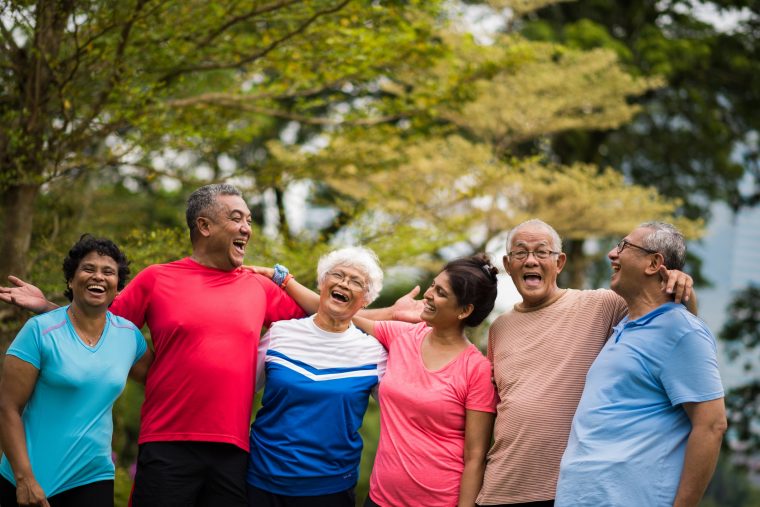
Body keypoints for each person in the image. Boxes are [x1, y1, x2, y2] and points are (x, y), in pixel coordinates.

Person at [0, 184, 413, 507]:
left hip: (234, 452)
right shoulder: (156, 279)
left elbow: (327, 319)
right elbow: (97, 330)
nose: (247, 228)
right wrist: (50, 309)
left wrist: (390, 314)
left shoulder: (257, 286)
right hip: (166, 442)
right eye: (237, 218)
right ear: (204, 226)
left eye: (249, 219)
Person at [476, 218, 696, 507]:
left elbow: (671, 319)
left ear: (560, 262)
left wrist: (684, 288)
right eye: (520, 253)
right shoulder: (499, 328)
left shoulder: (602, 305)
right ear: (508, 264)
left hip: (566, 492)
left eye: (542, 252)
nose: (531, 260)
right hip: (499, 488)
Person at [555, 222, 726, 506]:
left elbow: (712, 425)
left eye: (623, 246)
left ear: (654, 262)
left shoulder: (681, 330)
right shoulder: (624, 327)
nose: (612, 254)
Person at [0, 235, 151, 507]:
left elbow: (161, 379)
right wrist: (24, 479)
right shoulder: (39, 332)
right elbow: (7, 407)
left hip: (92, 477)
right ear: (71, 280)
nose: (99, 277)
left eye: (108, 272)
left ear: (118, 288)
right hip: (28, 478)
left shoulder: (129, 337)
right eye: (88, 269)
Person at [351, 254, 498, 507]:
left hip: (440, 501)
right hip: (378, 499)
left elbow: (475, 457)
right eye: (432, 285)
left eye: (441, 292)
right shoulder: (403, 335)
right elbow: (339, 316)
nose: (428, 294)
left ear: (464, 310)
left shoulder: (477, 369)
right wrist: (283, 280)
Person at [246, 246, 387, 507]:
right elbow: (239, 392)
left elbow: (401, 414)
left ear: (365, 299)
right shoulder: (280, 333)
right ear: (322, 282)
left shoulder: (374, 354)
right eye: (338, 275)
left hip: (330, 488)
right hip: (261, 480)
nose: (344, 283)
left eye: (356, 281)